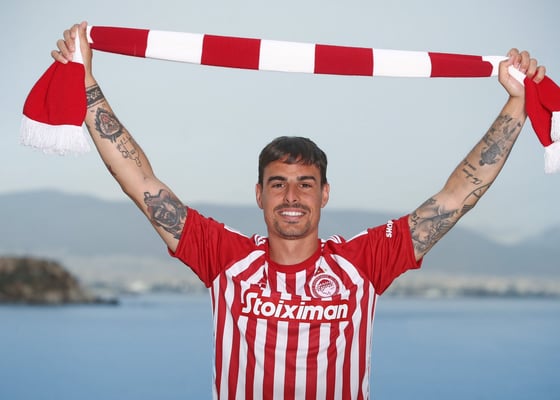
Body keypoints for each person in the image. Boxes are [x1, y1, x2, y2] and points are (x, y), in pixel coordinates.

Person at [53, 21, 545, 400]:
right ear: (259, 194)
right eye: (279, 184)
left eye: (305, 184)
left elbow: (456, 196)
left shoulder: (364, 261)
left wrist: (516, 106)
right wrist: (86, 81)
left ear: (324, 194)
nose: (291, 197)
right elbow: (140, 182)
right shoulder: (224, 257)